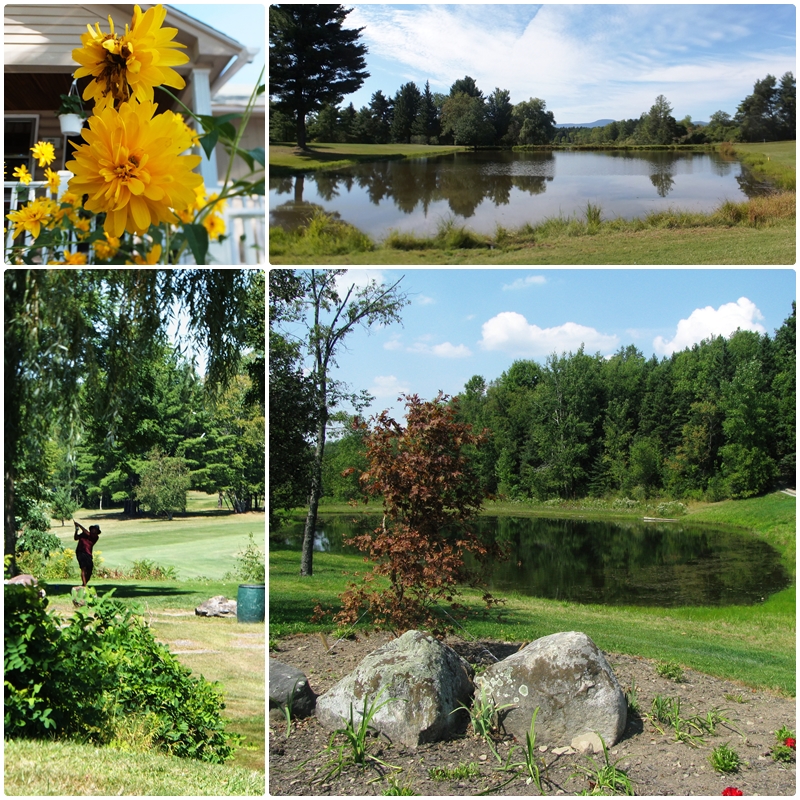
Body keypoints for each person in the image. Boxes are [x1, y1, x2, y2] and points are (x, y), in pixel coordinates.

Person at [74, 521, 101, 587]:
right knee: (83, 568)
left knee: (90, 570)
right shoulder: (84, 534)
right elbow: (76, 538)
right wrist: (76, 530)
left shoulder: (95, 537)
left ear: (97, 531)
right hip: (80, 552)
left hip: (88, 553)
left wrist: (79, 525)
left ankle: (84, 584)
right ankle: (84, 585)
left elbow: (86, 532)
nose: (93, 530)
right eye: (93, 528)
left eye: (95, 529)